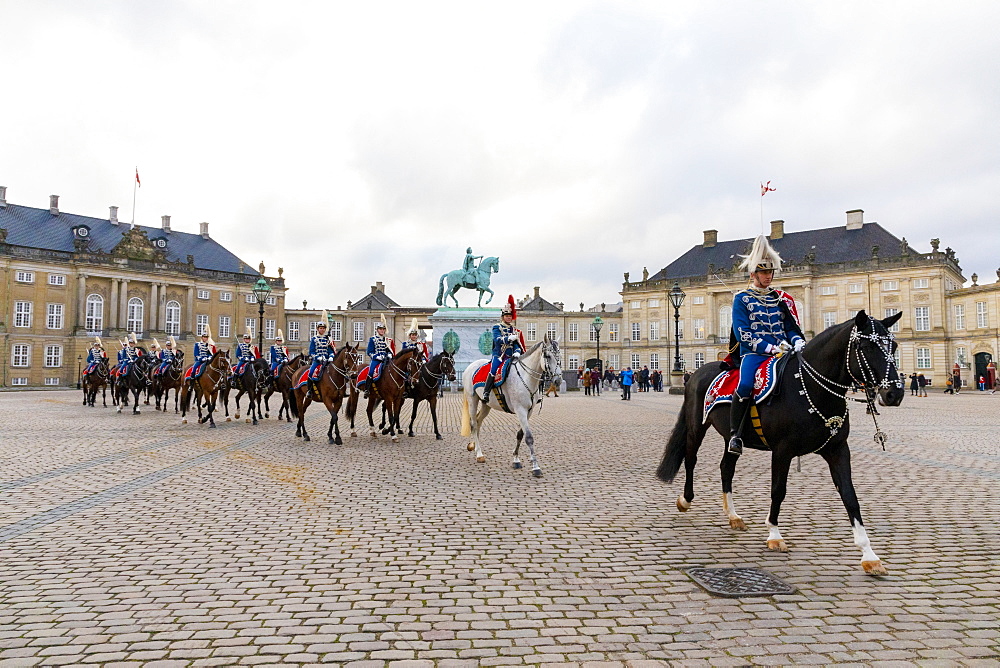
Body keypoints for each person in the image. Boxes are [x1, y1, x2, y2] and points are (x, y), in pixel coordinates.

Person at [728, 234, 805, 456]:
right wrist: (769, 348)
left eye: (770, 272)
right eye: (764, 272)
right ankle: (736, 435)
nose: (768, 276)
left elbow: (789, 327)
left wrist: (797, 340)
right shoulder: (741, 299)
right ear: (753, 274)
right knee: (745, 384)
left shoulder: (780, 299)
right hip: (755, 354)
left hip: (784, 352)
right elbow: (743, 333)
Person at [482, 295, 525, 398]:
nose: (508, 318)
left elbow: (517, 344)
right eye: (506, 316)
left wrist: (517, 351)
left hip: (511, 356)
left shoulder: (514, 330)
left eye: (510, 316)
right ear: (503, 317)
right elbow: (497, 340)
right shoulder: (497, 327)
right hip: (499, 355)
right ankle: (486, 392)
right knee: (494, 369)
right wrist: (508, 339)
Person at [361, 315, 395, 398]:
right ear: (377, 330)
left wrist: (390, 354)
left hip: (386, 359)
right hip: (376, 360)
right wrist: (376, 356)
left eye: (383, 329)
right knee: (371, 371)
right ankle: (367, 389)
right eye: (380, 329)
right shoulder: (373, 339)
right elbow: (369, 352)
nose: (382, 331)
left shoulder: (387, 340)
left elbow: (389, 350)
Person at [307, 315, 334, 396]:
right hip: (317, 361)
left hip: (327, 361)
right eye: (320, 328)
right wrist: (317, 357)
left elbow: (330, 350)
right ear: (317, 329)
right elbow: (311, 351)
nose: (322, 329)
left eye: (323, 328)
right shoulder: (314, 339)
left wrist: (331, 356)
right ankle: (309, 391)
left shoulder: (327, 339)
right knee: (311, 373)